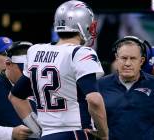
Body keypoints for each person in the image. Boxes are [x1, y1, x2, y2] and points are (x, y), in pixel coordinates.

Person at [8, 0, 108, 140]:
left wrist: (38, 130)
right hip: (75, 132)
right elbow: (94, 100)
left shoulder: (35, 51)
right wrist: (104, 134)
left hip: (48, 135)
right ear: (84, 25)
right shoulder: (80, 53)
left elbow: (15, 97)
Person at [98, 36, 154, 140]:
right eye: (124, 58)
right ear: (117, 59)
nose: (127, 63)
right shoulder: (100, 85)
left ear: (141, 61)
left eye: (133, 58)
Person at [0, 41, 35, 140]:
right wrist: (10, 133)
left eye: (32, 70)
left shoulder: (38, 83)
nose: (28, 75)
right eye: (24, 70)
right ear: (8, 64)